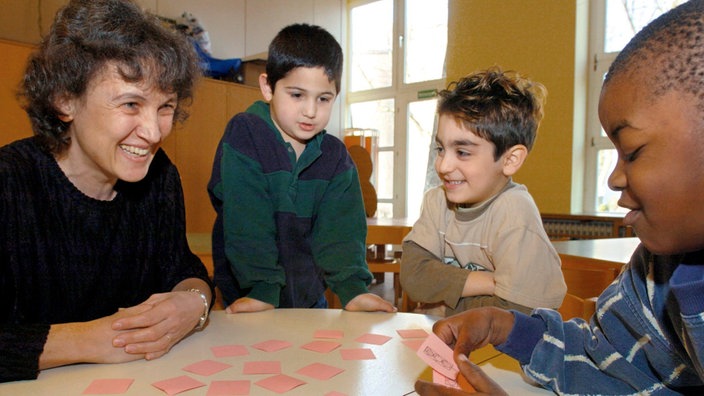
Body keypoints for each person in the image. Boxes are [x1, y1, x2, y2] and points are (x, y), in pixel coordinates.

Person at [415, 1, 704, 394]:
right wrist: (508, 327)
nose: (615, 178)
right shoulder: (652, 273)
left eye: (633, 151)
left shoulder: (515, 210)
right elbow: (598, 355)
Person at [0, 0, 214, 383]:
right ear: (65, 99)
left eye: (165, 106)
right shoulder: (9, 183)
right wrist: (88, 340)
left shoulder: (160, 178)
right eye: (131, 104)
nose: (153, 132)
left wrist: (192, 303)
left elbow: (184, 269)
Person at [208, 23, 395, 314]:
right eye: (297, 95)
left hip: (308, 299)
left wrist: (352, 291)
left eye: (323, 98)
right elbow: (246, 222)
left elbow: (342, 233)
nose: (310, 111)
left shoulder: (335, 157)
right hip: (251, 295)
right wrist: (262, 289)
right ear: (268, 87)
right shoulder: (245, 135)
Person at [400, 67, 566, 317]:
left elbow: (517, 314)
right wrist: (490, 282)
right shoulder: (437, 201)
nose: (443, 166)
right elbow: (413, 276)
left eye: (463, 152)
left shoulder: (514, 211)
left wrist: (444, 303)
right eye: (441, 149)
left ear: (510, 160)